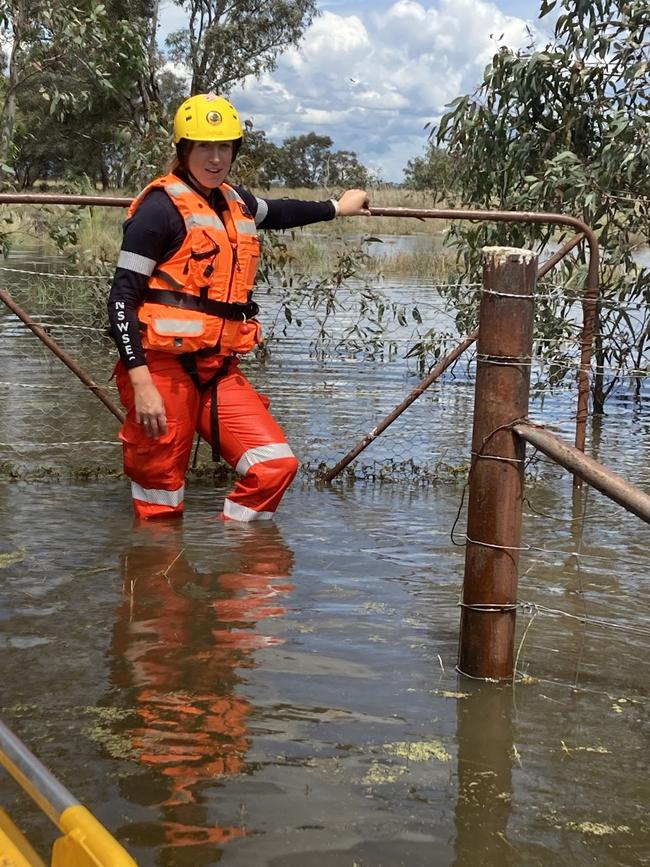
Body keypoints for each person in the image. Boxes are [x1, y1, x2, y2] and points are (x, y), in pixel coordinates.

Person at [107, 93, 370, 522]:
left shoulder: (235, 201)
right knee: (160, 502)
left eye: (224, 146)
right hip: (160, 369)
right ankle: (157, 579)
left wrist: (337, 208)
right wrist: (142, 385)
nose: (215, 158)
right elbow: (121, 300)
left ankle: (234, 569)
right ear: (183, 150)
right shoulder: (158, 210)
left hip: (217, 368)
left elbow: (280, 211)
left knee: (274, 466)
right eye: (204, 147)